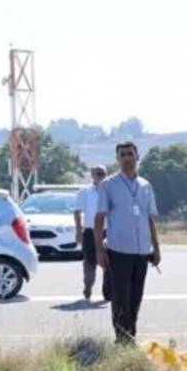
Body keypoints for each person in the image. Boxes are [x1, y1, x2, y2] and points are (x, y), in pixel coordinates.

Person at [94, 141, 161, 344]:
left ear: (137, 157)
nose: (127, 158)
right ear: (117, 159)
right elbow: (99, 219)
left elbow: (149, 218)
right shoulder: (109, 184)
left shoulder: (145, 185)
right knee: (121, 298)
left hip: (141, 251)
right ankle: (122, 339)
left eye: (130, 154)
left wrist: (156, 248)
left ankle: (131, 335)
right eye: (122, 155)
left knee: (136, 297)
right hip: (119, 250)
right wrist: (99, 250)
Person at [74, 165, 108, 302]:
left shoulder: (111, 191)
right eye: (98, 174)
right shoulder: (85, 192)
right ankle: (88, 285)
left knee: (109, 263)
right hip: (90, 232)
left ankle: (108, 291)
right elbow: (77, 211)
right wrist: (78, 230)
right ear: (92, 175)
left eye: (103, 174)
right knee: (90, 262)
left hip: (108, 231)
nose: (101, 176)